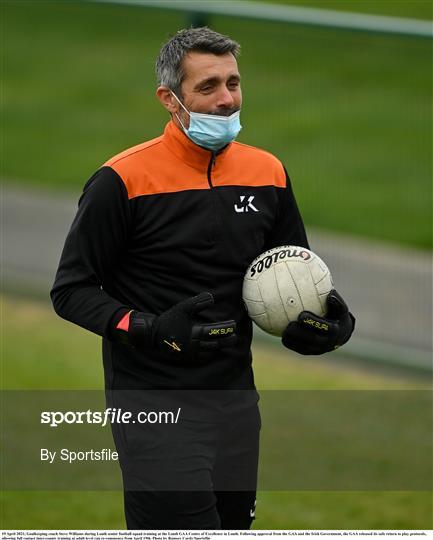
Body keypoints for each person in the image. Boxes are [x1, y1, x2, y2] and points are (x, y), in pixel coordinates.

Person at [51, 27, 354, 530]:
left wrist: (325, 328)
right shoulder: (122, 181)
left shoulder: (268, 173)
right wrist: (147, 327)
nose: (226, 100)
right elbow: (70, 290)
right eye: (208, 87)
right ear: (170, 99)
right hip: (153, 406)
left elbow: (293, 279)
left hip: (236, 403)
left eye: (233, 83)